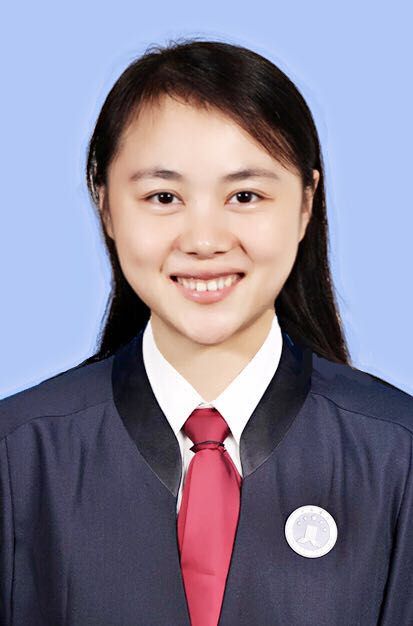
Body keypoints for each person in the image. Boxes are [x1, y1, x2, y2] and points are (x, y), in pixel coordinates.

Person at [1, 38, 412, 626]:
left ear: (305, 204)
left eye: (245, 195)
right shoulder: (18, 454)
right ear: (105, 203)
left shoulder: (398, 453)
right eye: (163, 196)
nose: (204, 240)